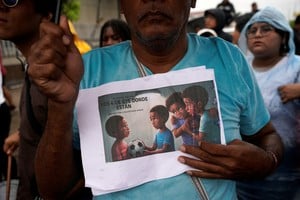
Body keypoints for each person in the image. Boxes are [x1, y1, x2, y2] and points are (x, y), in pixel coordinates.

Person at [27, 1, 284, 199]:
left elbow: (267, 135)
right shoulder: (86, 70)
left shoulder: (229, 58)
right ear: (121, 5)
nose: (153, 1)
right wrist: (60, 106)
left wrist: (265, 161)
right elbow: (54, 191)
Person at [0, 0, 92, 199]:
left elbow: (83, 168)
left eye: (12, 0)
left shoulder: (60, 80)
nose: (2, 6)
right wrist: (22, 134)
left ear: (48, 16)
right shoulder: (35, 73)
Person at [237, 6, 300, 200]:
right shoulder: (238, 68)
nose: (257, 35)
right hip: (240, 172)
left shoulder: (296, 66)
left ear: (283, 36)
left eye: (266, 29)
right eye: (252, 30)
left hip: (287, 174)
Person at [0, 47, 18, 182]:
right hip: (3, 109)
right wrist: (11, 103)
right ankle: (12, 179)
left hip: (2, 109)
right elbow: (3, 88)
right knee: (5, 148)